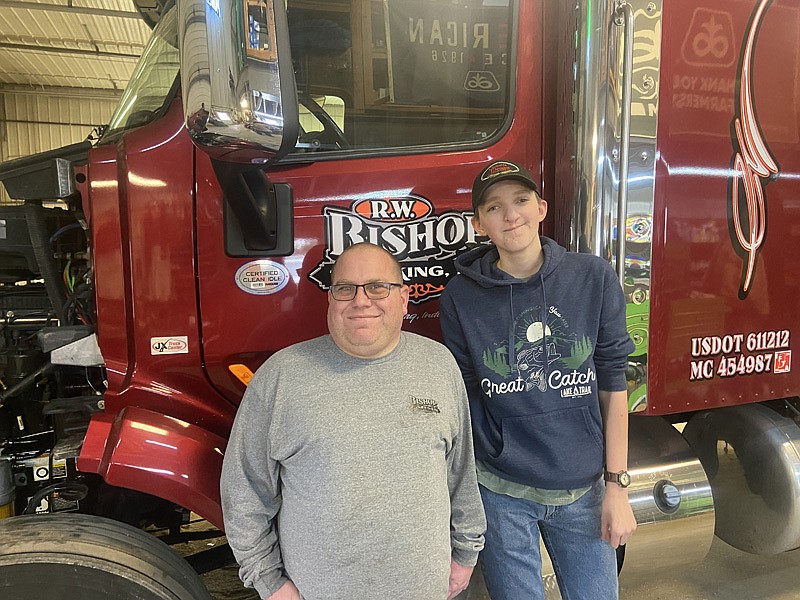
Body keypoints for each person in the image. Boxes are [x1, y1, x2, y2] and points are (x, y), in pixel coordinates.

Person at [221, 242, 486, 600]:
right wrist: (270, 583)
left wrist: (466, 554)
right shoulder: (282, 377)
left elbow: (461, 471)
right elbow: (245, 491)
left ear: (405, 297)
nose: (361, 301)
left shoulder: (438, 365)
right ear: (331, 299)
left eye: (378, 286)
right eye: (345, 288)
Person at [439, 160, 637, 600]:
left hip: (584, 487)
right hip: (501, 490)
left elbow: (613, 384)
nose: (511, 216)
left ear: (542, 208)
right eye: (495, 207)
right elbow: (466, 395)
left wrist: (617, 486)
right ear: (478, 223)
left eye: (521, 201)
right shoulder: (460, 297)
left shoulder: (594, 278)